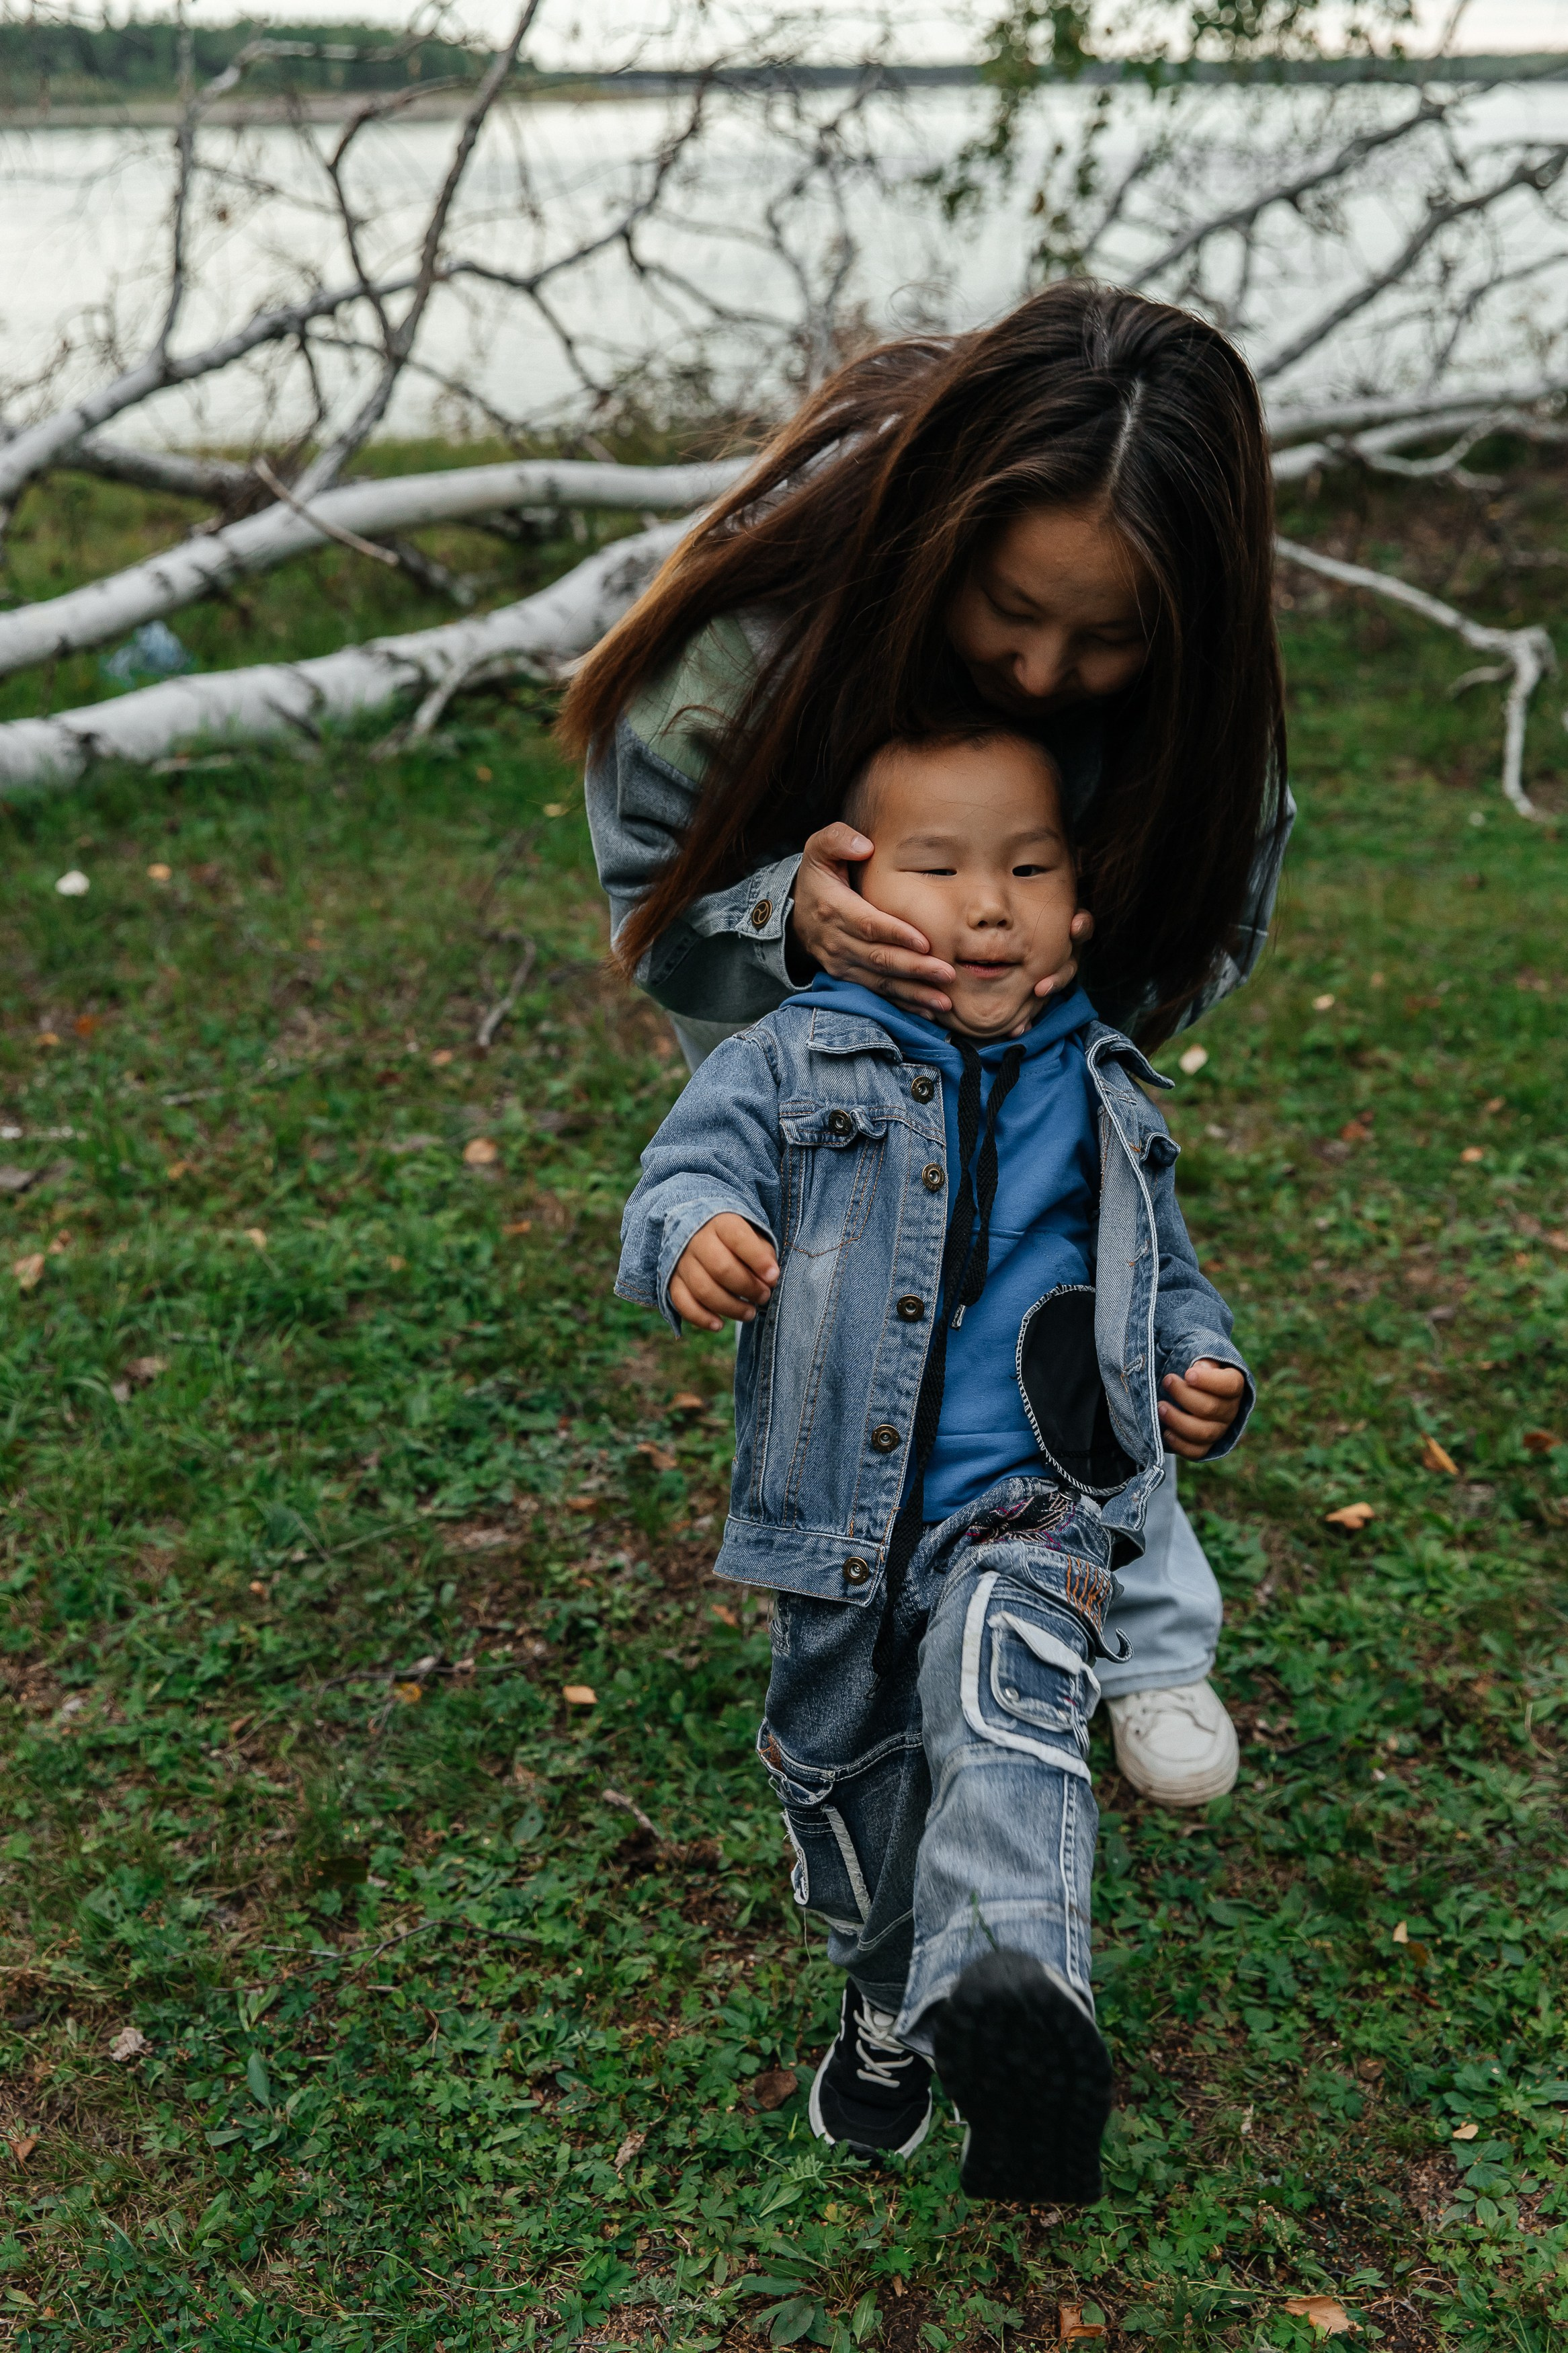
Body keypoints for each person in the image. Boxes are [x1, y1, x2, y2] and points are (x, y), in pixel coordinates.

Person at [562, 280, 1290, 1810]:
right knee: (866, 1304)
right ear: (941, 534)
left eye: (1107, 643)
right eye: (1010, 613)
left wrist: (1044, 1026)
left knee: (1053, 1271)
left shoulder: (1206, 719)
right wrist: (788, 925)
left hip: (1043, 1052)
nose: (1039, 673)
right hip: (810, 1058)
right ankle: (888, 1615)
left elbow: (1207, 922)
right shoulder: (756, 637)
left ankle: (1115, 1593)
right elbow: (650, 887)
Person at [616, 725, 1253, 2197]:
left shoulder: (1102, 1085)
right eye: (938, 869)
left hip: (1028, 1504)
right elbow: (681, 1174)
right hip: (830, 1519)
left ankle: (1018, 2003)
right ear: (844, 892)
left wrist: (1197, 1365)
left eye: (1026, 870)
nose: (984, 907)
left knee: (1008, 1693)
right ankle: (892, 1998)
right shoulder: (795, 1050)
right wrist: (696, 1235)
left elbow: (1163, 1273)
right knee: (852, 1802)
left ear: (1076, 909)